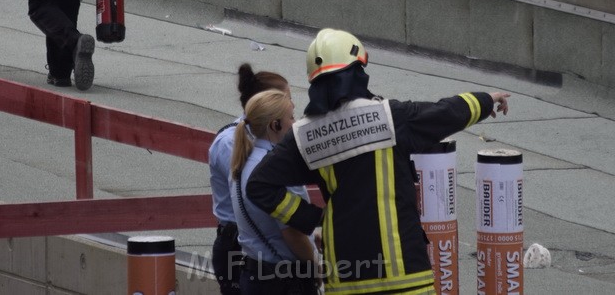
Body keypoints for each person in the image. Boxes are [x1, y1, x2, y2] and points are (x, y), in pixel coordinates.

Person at [247, 28, 512, 295]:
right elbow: (445, 113)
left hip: (346, 278)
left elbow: (259, 185)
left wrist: (314, 217)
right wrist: (486, 99)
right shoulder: (390, 116)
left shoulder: (304, 135)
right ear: (356, 72)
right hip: (405, 276)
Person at [208, 64, 290, 294]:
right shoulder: (231, 142)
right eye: (285, 98)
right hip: (239, 242)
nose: (292, 106)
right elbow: (253, 196)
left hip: (256, 239)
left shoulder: (265, 137)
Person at [230, 90, 319, 295]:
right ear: (275, 125)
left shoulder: (244, 161)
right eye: (291, 117)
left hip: (254, 273)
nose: (295, 123)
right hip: (282, 281)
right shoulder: (278, 169)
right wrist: (317, 266)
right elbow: (292, 233)